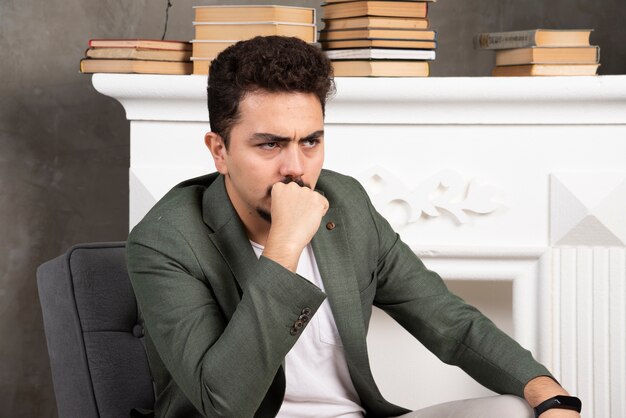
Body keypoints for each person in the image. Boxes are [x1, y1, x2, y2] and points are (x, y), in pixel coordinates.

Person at [126, 36, 581, 418]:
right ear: (219, 150)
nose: (296, 167)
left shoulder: (346, 203)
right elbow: (224, 404)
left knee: (516, 410)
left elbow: (449, 323)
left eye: (311, 141)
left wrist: (548, 392)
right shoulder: (165, 241)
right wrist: (285, 247)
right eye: (269, 145)